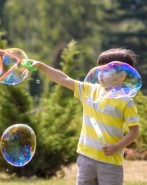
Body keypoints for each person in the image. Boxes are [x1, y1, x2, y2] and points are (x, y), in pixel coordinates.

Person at [30, 48, 140, 185]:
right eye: (99, 69)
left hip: (110, 161)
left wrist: (117, 147)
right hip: (86, 157)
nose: (100, 73)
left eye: (106, 70)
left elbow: (134, 131)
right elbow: (63, 79)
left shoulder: (126, 101)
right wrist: (40, 65)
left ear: (122, 75)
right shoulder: (89, 90)